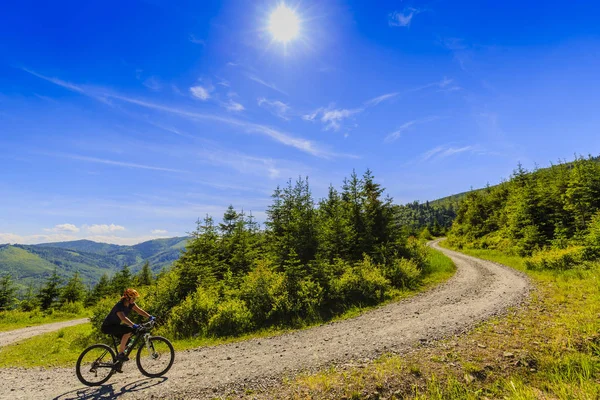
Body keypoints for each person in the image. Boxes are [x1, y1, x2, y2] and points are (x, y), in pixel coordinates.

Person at [101, 288, 155, 368]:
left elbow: (139, 311)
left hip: (115, 326)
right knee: (128, 330)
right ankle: (121, 354)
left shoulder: (131, 304)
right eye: (133, 298)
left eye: (135, 298)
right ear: (127, 298)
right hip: (107, 327)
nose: (134, 300)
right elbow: (123, 318)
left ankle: (117, 363)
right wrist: (134, 325)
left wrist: (150, 316)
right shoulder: (119, 306)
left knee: (128, 339)